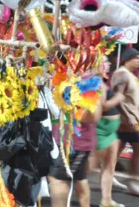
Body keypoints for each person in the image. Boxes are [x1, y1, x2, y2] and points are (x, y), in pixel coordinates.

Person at [48, 75, 103, 207]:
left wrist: (75, 104)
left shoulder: (89, 82)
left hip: (74, 144)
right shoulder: (58, 76)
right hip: (62, 141)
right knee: (79, 179)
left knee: (59, 182)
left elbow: (94, 116)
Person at [92, 56, 125, 207]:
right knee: (86, 168)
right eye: (105, 61)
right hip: (100, 130)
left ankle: (106, 200)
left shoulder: (102, 81)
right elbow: (102, 106)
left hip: (110, 132)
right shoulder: (93, 82)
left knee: (109, 166)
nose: (109, 64)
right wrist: (118, 96)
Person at [111, 48, 139, 195]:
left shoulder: (130, 75)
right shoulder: (121, 74)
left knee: (117, 150)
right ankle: (133, 182)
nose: (138, 61)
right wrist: (127, 117)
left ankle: (109, 177)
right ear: (127, 59)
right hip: (128, 120)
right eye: (135, 58)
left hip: (132, 118)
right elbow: (118, 97)